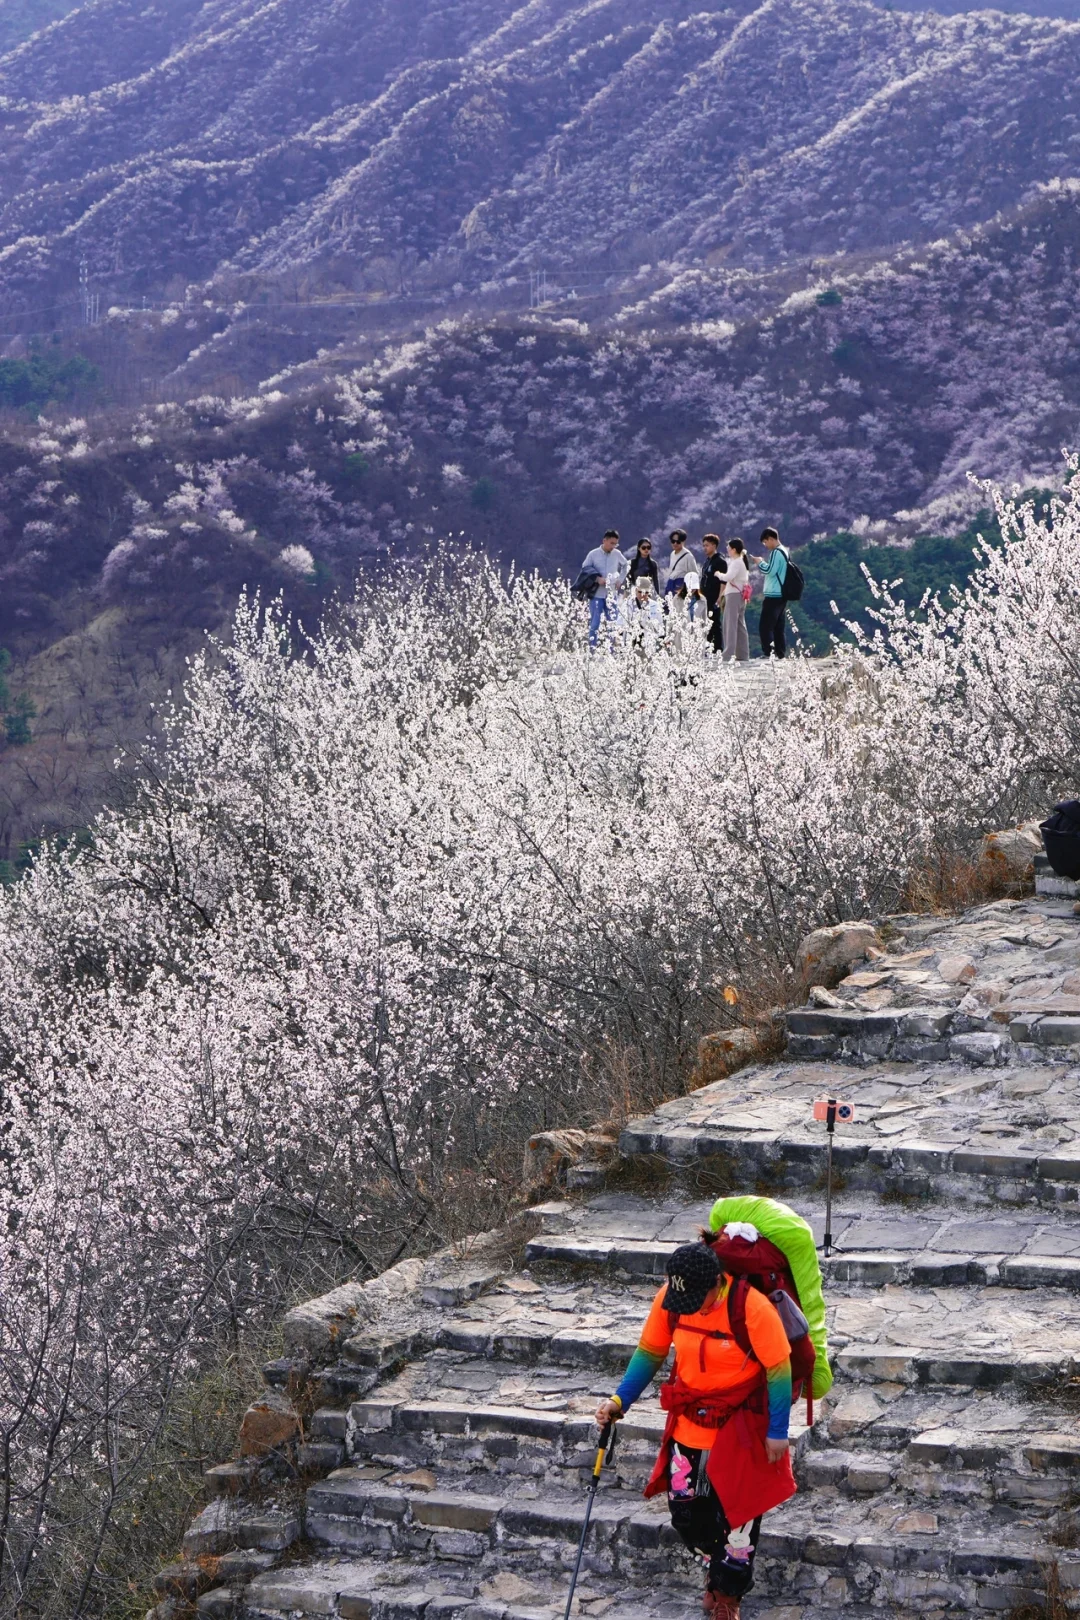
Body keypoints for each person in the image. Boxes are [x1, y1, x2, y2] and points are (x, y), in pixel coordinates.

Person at [594, 1241, 794, 1620]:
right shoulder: (673, 1298)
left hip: (743, 1428)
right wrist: (619, 1401)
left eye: (697, 1301)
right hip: (690, 1426)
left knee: (739, 1519)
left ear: (717, 1283)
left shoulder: (751, 1307)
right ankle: (720, 1572)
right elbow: (651, 1351)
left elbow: (779, 1368)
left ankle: (727, 1597)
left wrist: (778, 1430)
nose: (689, 1310)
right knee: (684, 1514)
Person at [578, 529, 628, 646]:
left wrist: (620, 580)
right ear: (604, 541)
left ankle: (611, 650)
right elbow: (585, 569)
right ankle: (592, 649)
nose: (613, 546)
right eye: (612, 543)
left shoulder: (617, 554)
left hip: (611, 594)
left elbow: (625, 565)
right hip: (596, 593)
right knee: (595, 623)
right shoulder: (593, 554)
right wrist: (597, 579)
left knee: (612, 623)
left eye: (616, 544)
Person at [756, 527, 789, 660]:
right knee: (778, 626)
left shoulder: (776, 552)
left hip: (773, 594)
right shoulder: (785, 551)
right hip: (782, 593)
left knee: (765, 625)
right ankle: (780, 653)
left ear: (771, 539)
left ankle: (768, 652)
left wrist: (760, 563)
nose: (765, 545)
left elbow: (770, 570)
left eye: (765, 542)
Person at [721, 539, 750, 663]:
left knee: (730, 624)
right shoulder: (740, 561)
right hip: (739, 595)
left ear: (734, 549)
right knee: (739, 624)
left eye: (729, 548)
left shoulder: (737, 562)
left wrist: (718, 574)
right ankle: (742, 654)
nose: (727, 550)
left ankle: (728, 654)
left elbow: (728, 577)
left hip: (733, 595)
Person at [699, 534, 727, 654]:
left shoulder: (719, 561)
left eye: (707, 545)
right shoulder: (707, 561)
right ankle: (708, 647)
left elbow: (723, 581)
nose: (705, 548)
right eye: (703, 545)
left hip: (714, 596)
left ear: (714, 546)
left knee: (715, 623)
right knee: (706, 622)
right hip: (705, 597)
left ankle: (718, 648)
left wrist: (720, 597)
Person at [663, 530, 698, 607]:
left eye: (678, 542)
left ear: (683, 542)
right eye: (673, 541)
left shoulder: (688, 556)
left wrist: (692, 592)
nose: (675, 543)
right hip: (670, 583)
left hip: (680, 584)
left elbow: (694, 574)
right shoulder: (672, 554)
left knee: (679, 609)